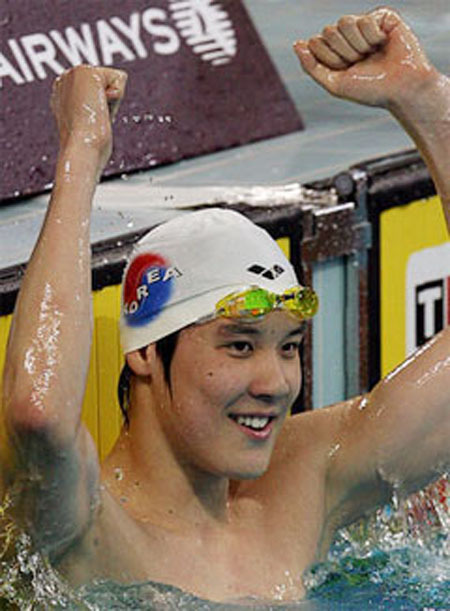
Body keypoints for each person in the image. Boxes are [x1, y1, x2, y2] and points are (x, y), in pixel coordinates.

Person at [1, 7, 449, 605]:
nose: (276, 382)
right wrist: (81, 156)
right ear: (144, 354)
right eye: (240, 344)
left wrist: (423, 99)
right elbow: (38, 412)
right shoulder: (82, 526)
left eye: (289, 347)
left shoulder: (305, 484)